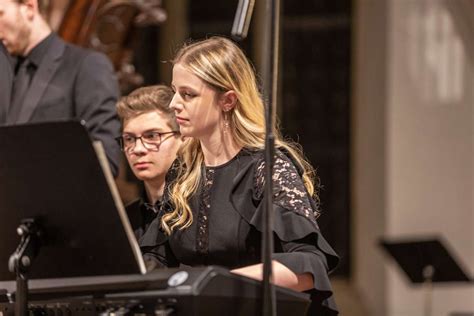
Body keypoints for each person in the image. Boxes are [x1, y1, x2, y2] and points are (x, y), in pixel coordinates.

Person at [144, 36, 339, 315]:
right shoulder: (184, 171)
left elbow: (309, 266)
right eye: (175, 91)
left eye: (188, 94)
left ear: (228, 100)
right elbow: (156, 256)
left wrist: (213, 287)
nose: (174, 103)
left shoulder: (268, 168)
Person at [0, 0, 121, 176]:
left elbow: (106, 160)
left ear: (29, 7)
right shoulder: (7, 73)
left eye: (0, 14)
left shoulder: (87, 65)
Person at [116, 85, 182, 265]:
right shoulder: (123, 222)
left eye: (152, 136)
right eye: (129, 139)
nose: (137, 149)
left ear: (183, 138)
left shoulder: (199, 210)